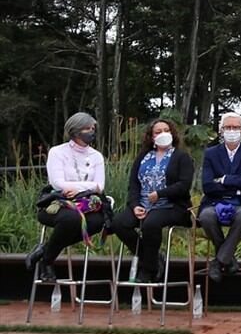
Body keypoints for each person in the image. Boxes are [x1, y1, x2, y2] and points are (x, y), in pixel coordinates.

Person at [25, 113, 107, 282]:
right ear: (75, 130)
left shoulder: (96, 156)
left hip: (87, 204)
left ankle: (44, 251)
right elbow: (57, 183)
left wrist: (75, 189)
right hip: (57, 204)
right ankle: (47, 263)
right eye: (87, 128)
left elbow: (100, 186)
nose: (91, 131)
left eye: (93, 128)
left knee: (97, 223)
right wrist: (83, 187)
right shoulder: (57, 152)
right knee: (71, 219)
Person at [111, 119, 194, 283]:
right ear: (151, 137)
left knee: (151, 224)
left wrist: (160, 194)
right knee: (118, 223)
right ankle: (153, 259)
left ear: (172, 133)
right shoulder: (143, 156)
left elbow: (184, 185)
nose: (163, 134)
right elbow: (133, 184)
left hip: (171, 206)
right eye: (158, 131)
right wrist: (135, 206)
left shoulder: (182, 157)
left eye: (166, 130)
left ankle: (147, 271)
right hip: (142, 205)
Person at [198, 112, 241, 282]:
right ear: (221, 130)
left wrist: (224, 179)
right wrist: (239, 185)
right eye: (228, 127)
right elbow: (207, 186)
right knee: (205, 216)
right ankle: (227, 259)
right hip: (214, 202)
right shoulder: (211, 153)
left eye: (236, 127)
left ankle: (218, 262)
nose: (232, 131)